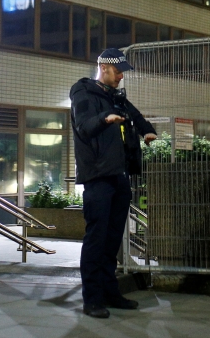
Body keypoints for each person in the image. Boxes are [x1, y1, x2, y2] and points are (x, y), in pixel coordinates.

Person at [70, 48, 157, 319]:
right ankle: (92, 299)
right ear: (103, 67)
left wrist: (147, 131)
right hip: (98, 177)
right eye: (117, 71)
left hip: (119, 176)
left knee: (112, 240)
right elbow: (84, 126)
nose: (121, 76)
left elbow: (136, 115)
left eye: (122, 72)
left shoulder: (116, 97)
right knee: (96, 239)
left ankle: (110, 292)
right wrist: (104, 119)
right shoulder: (83, 93)